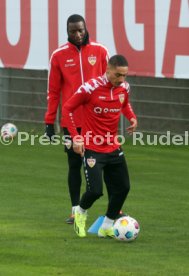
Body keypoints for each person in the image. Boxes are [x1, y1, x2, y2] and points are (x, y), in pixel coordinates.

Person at [62, 54, 137, 238]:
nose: (121, 79)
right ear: (108, 70)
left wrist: (132, 117)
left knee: (123, 187)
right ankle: (80, 211)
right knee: (95, 191)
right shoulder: (90, 88)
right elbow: (67, 108)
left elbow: (124, 104)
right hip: (93, 147)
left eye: (125, 75)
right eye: (118, 75)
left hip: (113, 146)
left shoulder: (124, 88)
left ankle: (107, 226)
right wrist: (76, 137)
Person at [44, 14, 109, 224]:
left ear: (85, 28)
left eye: (81, 30)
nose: (78, 34)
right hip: (71, 122)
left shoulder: (100, 51)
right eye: (73, 31)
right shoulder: (58, 55)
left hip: (98, 121)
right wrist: (49, 122)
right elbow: (53, 92)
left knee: (106, 164)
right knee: (74, 164)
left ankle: (114, 209)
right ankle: (75, 209)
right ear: (67, 31)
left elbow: (110, 84)